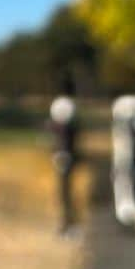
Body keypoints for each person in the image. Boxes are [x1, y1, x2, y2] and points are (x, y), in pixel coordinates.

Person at [48, 76, 81, 234]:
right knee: (65, 191)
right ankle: (66, 224)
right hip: (65, 153)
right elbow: (69, 131)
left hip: (60, 153)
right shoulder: (69, 106)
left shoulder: (58, 105)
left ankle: (66, 223)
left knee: (64, 191)